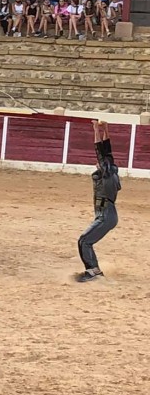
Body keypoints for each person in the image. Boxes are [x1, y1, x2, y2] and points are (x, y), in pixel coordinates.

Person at [76, 120, 121, 282]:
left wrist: (96, 129)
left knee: (84, 241)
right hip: (108, 213)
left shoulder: (106, 173)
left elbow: (100, 152)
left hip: (105, 216)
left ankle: (93, 272)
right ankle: (94, 270)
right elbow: (107, 152)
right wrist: (106, 129)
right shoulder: (112, 171)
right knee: (86, 241)